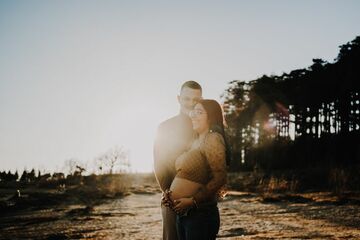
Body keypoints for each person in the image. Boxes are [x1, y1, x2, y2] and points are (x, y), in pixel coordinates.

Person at [165, 99, 229, 240]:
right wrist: (169, 196)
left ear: (211, 116)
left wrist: (193, 201)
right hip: (184, 215)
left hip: (200, 216)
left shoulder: (212, 138)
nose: (193, 115)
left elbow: (220, 177)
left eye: (199, 112)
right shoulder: (194, 142)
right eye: (193, 111)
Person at [153, 80, 202, 240]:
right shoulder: (164, 127)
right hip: (171, 199)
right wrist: (170, 193)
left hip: (198, 201)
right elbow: (159, 163)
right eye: (187, 98)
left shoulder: (206, 129)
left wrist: (196, 198)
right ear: (178, 99)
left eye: (196, 100)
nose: (191, 103)